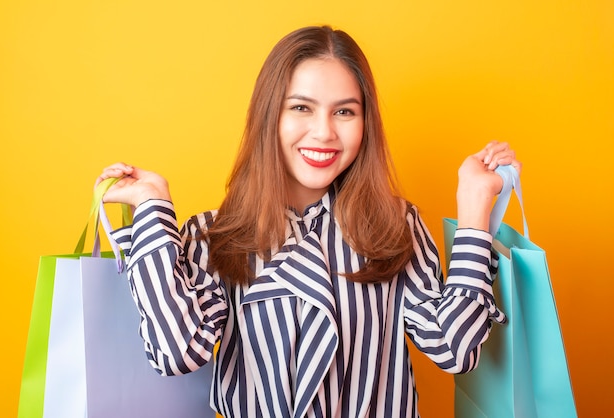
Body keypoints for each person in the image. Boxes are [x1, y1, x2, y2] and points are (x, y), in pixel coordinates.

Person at [97, 25, 520, 417]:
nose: (323, 133)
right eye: (301, 107)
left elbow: (455, 347)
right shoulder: (217, 236)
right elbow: (176, 351)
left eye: (345, 112)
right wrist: (153, 209)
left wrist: (474, 206)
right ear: (269, 116)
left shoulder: (394, 226)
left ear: (365, 122)